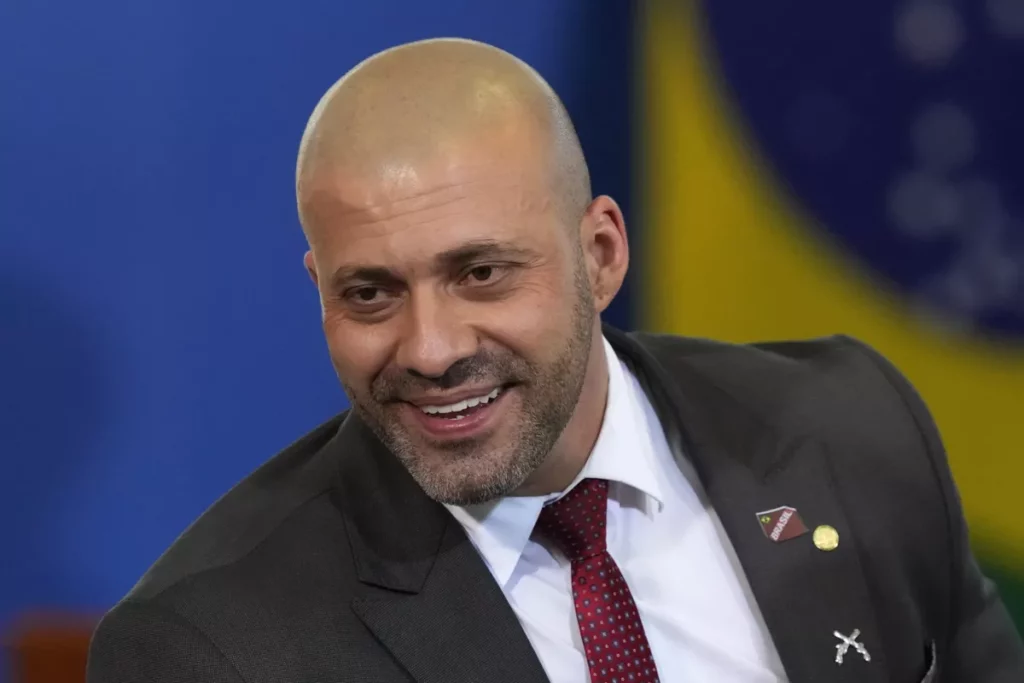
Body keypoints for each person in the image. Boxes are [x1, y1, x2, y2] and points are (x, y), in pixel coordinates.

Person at [87, 38, 1024, 683]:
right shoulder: (213, 647)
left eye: (482, 273)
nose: (432, 348)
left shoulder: (852, 427)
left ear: (602, 254)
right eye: (370, 292)